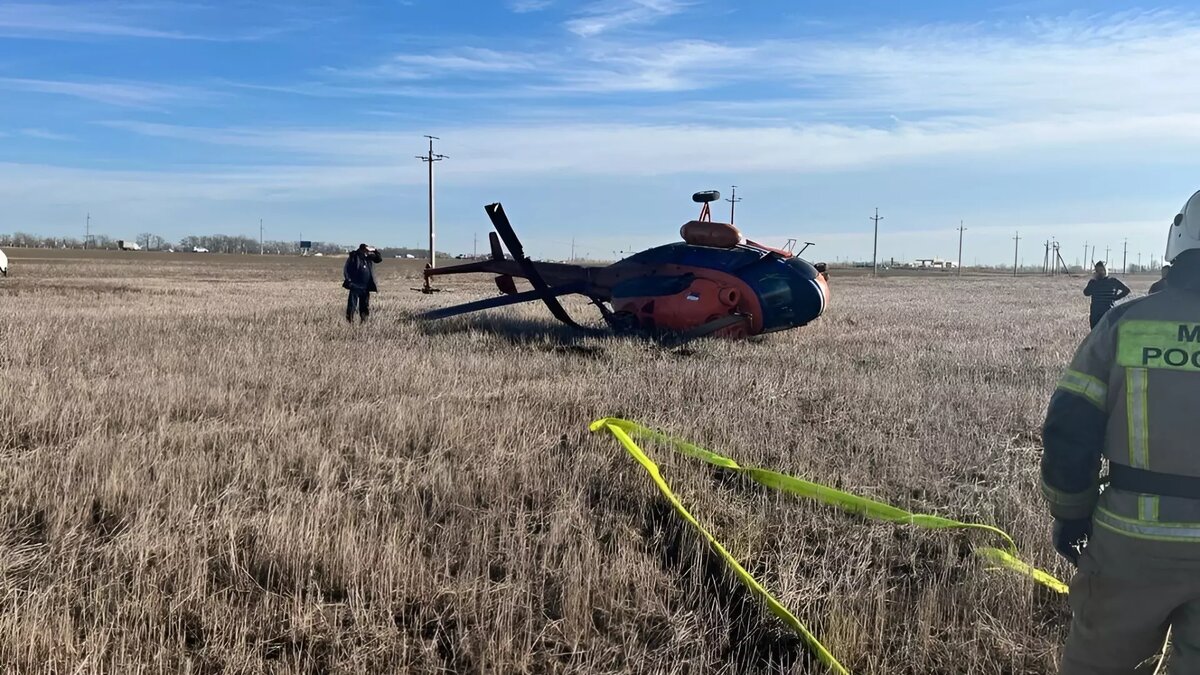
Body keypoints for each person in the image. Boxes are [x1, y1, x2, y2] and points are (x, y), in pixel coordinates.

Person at [1041, 189, 1200, 674]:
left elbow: (1071, 429)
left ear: (1177, 243)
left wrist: (1070, 515)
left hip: (1133, 540)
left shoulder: (1126, 325)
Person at [1083, 261, 1131, 328]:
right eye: (1098, 270)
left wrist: (1116, 297)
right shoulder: (1093, 282)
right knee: (1096, 335)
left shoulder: (1113, 281)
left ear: (1106, 270)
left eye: (1102, 270)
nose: (1100, 272)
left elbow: (1127, 290)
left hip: (1108, 313)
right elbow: (1086, 293)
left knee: (1108, 335)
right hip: (1095, 313)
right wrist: (1093, 282)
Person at [343, 243, 382, 322]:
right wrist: (349, 280)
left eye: (367, 250)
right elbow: (347, 269)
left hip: (366, 286)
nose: (367, 252)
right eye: (365, 250)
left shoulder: (368, 257)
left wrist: (374, 250)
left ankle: (364, 320)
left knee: (364, 305)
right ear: (361, 249)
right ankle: (349, 320)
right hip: (355, 285)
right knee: (352, 305)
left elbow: (379, 259)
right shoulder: (354, 256)